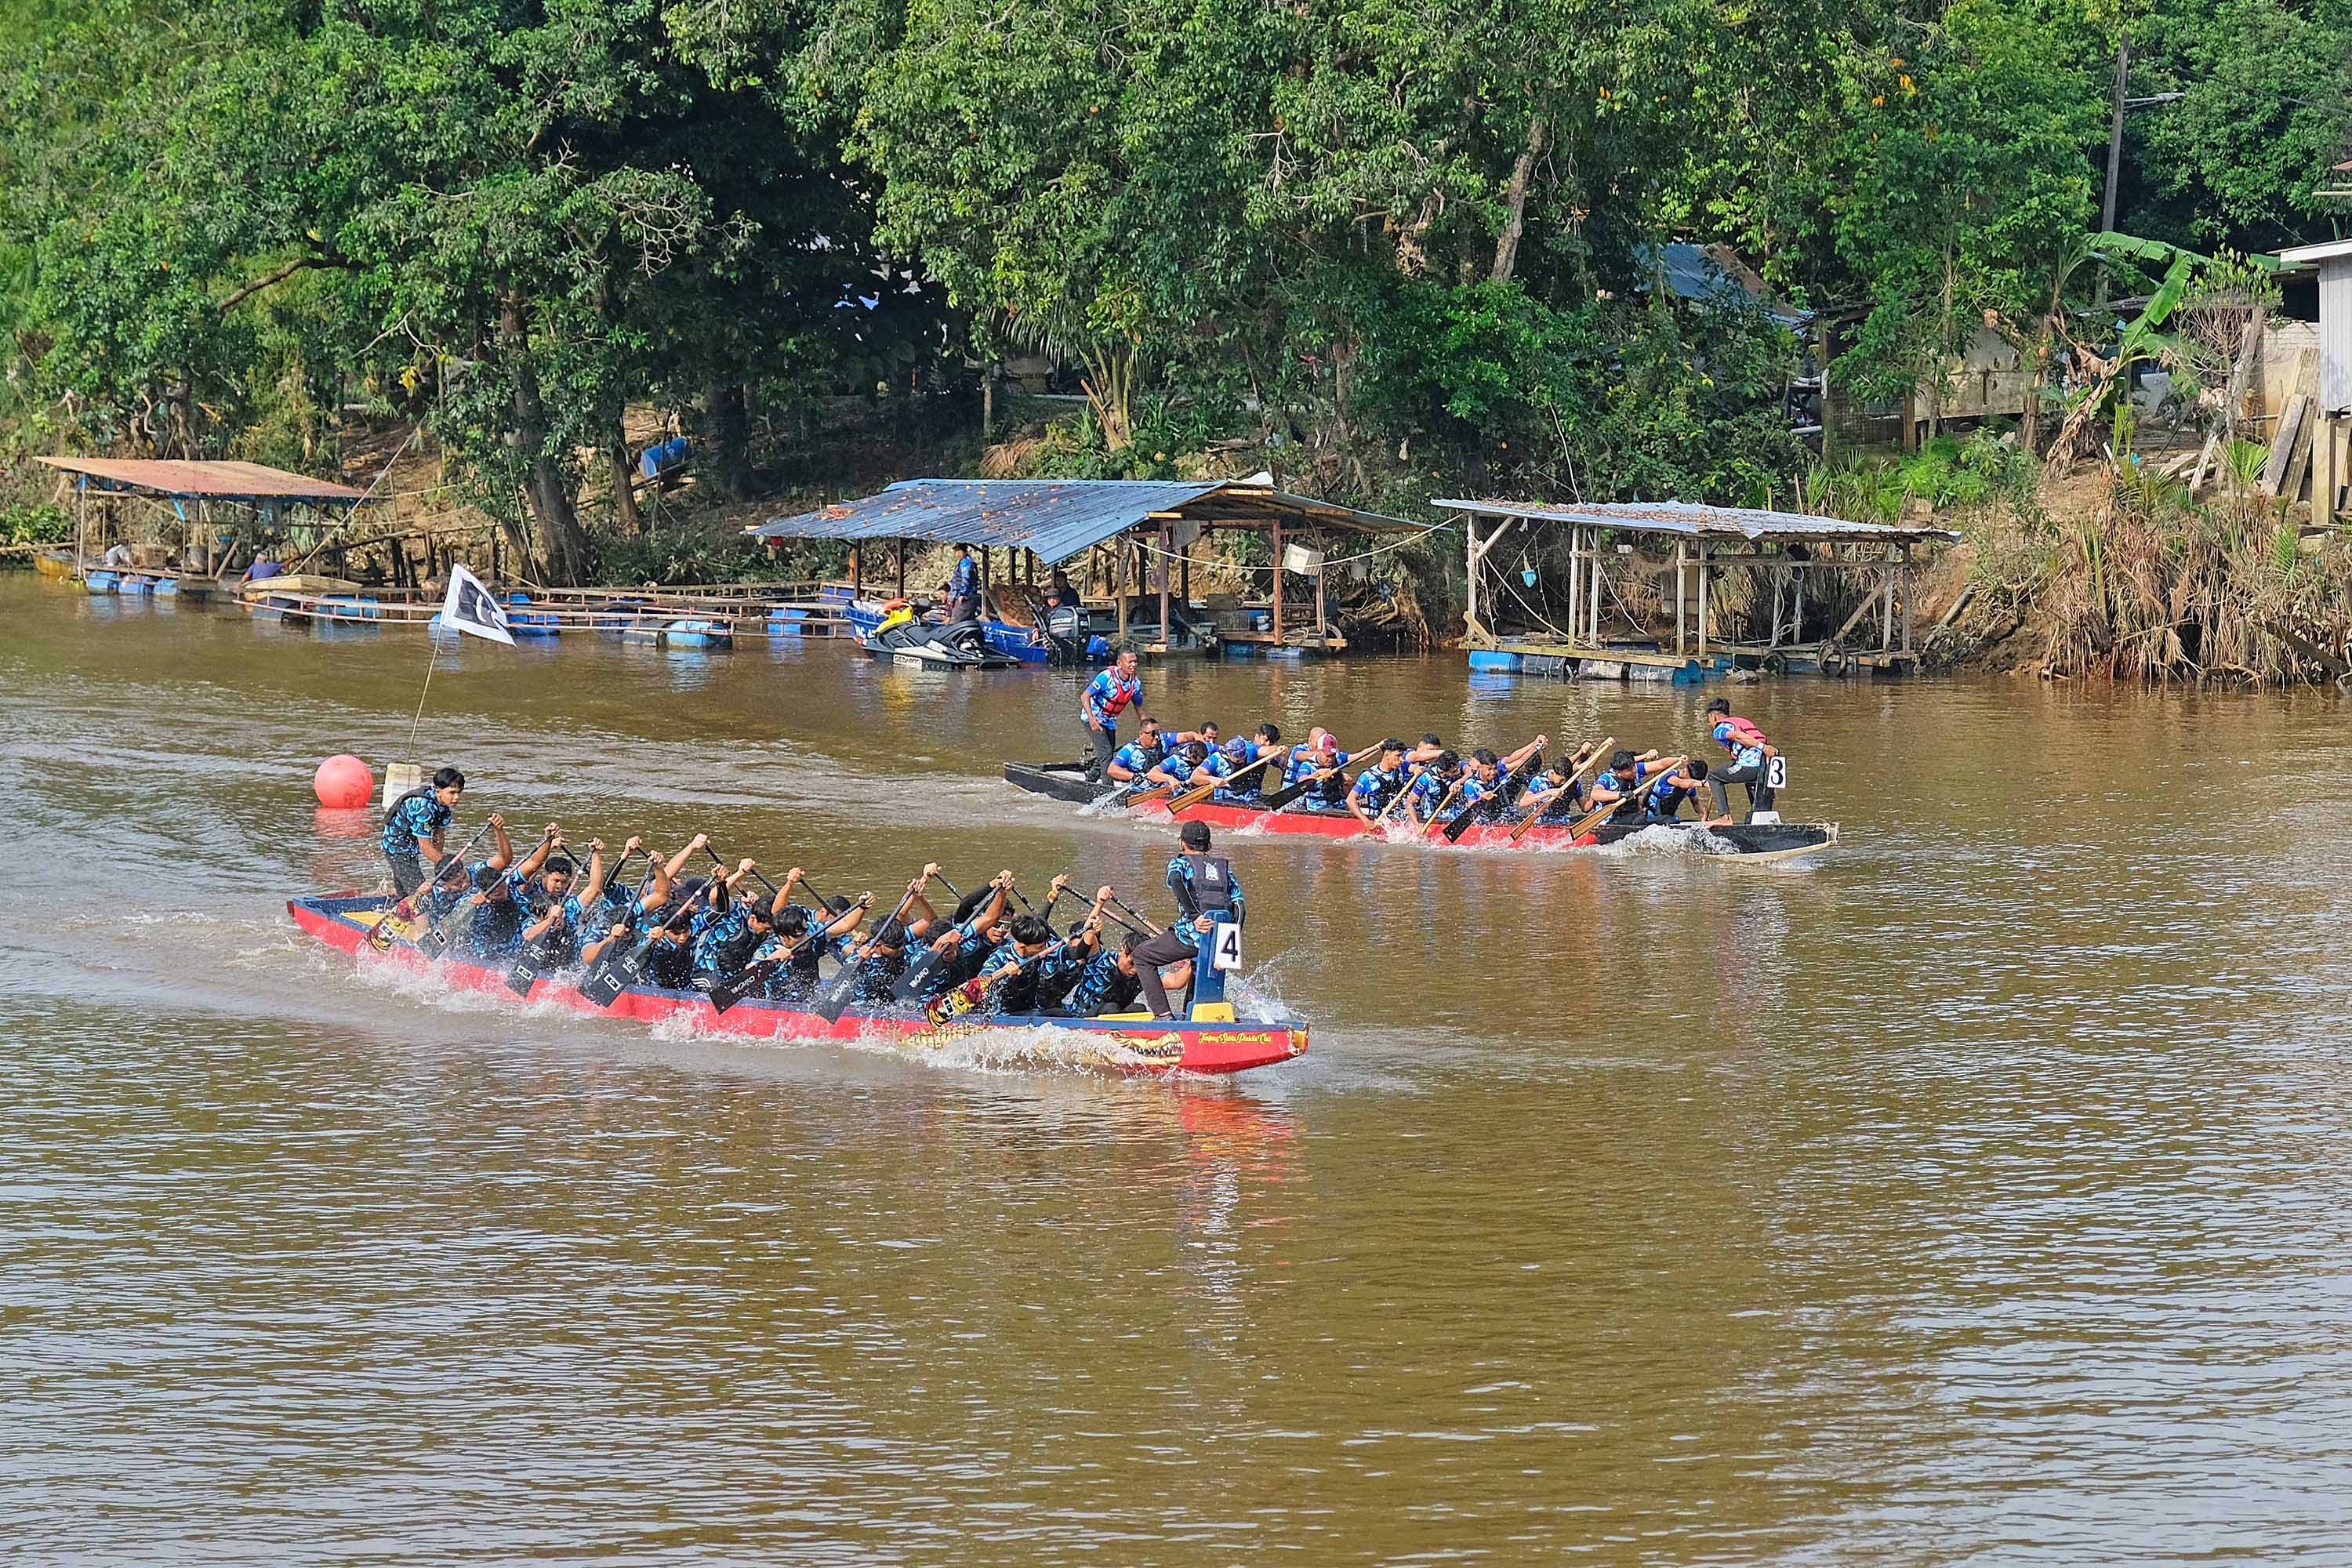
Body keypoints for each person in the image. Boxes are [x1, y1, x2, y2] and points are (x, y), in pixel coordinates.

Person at [1132, 821, 1244, 1020]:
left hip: (1191, 937)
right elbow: (1240, 908)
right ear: (1209, 847)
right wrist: (1226, 953)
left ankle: (1163, 1015)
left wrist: (1195, 917)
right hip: (1218, 942)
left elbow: (1175, 880)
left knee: (1141, 955)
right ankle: (1190, 1015)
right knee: (1197, 961)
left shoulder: (1180, 863)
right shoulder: (1225, 871)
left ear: (1182, 844)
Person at [514, 839, 617, 973]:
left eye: (564, 882)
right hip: (531, 954)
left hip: (565, 962)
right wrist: (548, 846)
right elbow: (528, 935)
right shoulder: (531, 894)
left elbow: (595, 888)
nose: (560, 886)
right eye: (556, 881)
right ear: (544, 876)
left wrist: (595, 854)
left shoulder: (569, 907)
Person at [380, 766, 466, 896]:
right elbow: (425, 847)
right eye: (452, 792)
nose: (456, 797)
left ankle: (395, 901)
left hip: (411, 846)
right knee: (421, 894)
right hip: (396, 848)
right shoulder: (424, 808)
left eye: (459, 792)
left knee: (404, 893)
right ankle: (414, 912)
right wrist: (451, 869)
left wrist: (440, 865)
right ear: (438, 792)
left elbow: (439, 836)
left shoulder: (445, 807)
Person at [1702, 698, 1779, 822]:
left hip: (1750, 766)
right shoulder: (1743, 721)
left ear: (1713, 717)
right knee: (1747, 779)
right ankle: (1760, 818)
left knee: (1713, 777)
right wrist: (1770, 786)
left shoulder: (1720, 729)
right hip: (1765, 768)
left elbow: (1739, 736)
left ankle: (1725, 818)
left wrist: (1763, 748)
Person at [1078, 648, 1148, 779]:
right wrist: (1092, 719)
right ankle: (1107, 789)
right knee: (1106, 752)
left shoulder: (1135, 684)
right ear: (1119, 663)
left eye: (1135, 662)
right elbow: (1085, 696)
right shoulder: (1106, 677)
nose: (1133, 665)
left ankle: (1091, 779)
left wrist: (1148, 728)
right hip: (1093, 718)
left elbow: (1139, 708)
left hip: (1110, 721)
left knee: (1107, 752)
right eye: (1129, 662)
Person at [1347, 739, 1410, 827]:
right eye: (1398, 755)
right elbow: (1350, 800)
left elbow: (1414, 768)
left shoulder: (1401, 768)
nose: (1401, 760)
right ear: (1387, 755)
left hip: (1394, 818)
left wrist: (1418, 769)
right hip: (1374, 818)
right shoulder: (1368, 776)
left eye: (1402, 756)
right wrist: (1365, 820)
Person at [1103, 717, 1169, 786]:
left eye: (1158, 733)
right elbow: (1111, 770)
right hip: (1139, 788)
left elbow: (1181, 737)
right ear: (1141, 734)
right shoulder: (1129, 750)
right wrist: (1133, 776)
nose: (1156, 737)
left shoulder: (1163, 741)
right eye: (1153, 734)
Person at [1642, 758, 1711, 822]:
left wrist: (1704, 816)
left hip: (1668, 817)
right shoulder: (1669, 775)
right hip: (1650, 815)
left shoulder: (1691, 786)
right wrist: (1703, 783)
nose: (1694, 783)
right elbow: (1681, 783)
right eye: (1692, 780)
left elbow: (1696, 802)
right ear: (1685, 771)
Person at [943, 542, 981, 622]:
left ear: (964, 552)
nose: (957, 554)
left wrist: (963, 594)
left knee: (955, 622)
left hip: (965, 596)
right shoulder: (967, 561)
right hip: (967, 594)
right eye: (956, 552)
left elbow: (966, 578)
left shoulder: (965, 563)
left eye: (959, 552)